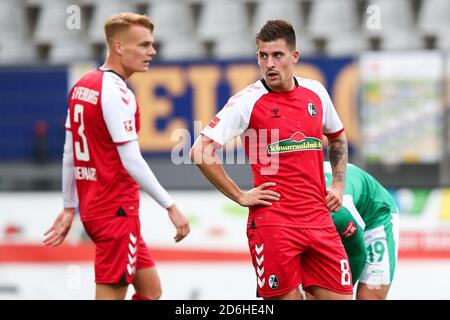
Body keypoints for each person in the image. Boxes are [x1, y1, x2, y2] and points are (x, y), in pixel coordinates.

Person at [190, 20, 351, 300]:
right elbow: (199, 151)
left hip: (318, 218)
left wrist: (337, 185)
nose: (270, 64)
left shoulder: (316, 92)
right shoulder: (247, 101)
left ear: (294, 57)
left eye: (277, 55)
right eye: (263, 56)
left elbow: (337, 137)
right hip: (274, 223)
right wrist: (240, 195)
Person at [43, 12, 190, 300]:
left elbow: (69, 153)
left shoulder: (83, 85)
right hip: (115, 213)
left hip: (95, 210)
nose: (152, 52)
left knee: (150, 290)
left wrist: (69, 206)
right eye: (144, 45)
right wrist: (170, 206)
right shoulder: (117, 92)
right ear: (119, 46)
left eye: (152, 44)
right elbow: (131, 160)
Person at [322, 161, 400, 300]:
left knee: (369, 295)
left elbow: (357, 254)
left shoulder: (336, 211)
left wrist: (340, 291)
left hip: (375, 218)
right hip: (339, 216)